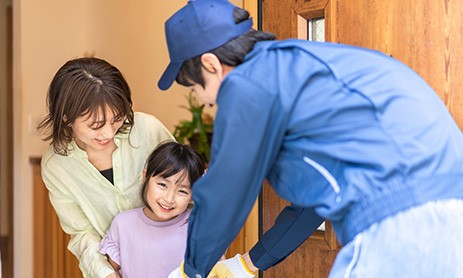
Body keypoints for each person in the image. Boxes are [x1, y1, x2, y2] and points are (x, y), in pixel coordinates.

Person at [158, 0, 463, 277]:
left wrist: (191, 272)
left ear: (211, 64)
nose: (207, 103)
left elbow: (226, 189)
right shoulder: (303, 72)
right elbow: (317, 200)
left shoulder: (248, 82)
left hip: (400, 229)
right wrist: (247, 264)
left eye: (195, 88)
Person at [38, 57, 174, 278]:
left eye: (117, 119)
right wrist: (105, 273)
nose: (108, 133)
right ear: (66, 117)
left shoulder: (148, 130)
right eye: (96, 125)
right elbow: (82, 233)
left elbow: (186, 187)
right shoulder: (57, 166)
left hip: (178, 259)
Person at [99, 141, 206, 277]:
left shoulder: (199, 225)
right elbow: (113, 270)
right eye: (162, 184)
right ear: (145, 177)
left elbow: (216, 269)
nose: (169, 198)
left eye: (182, 191)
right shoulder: (122, 224)